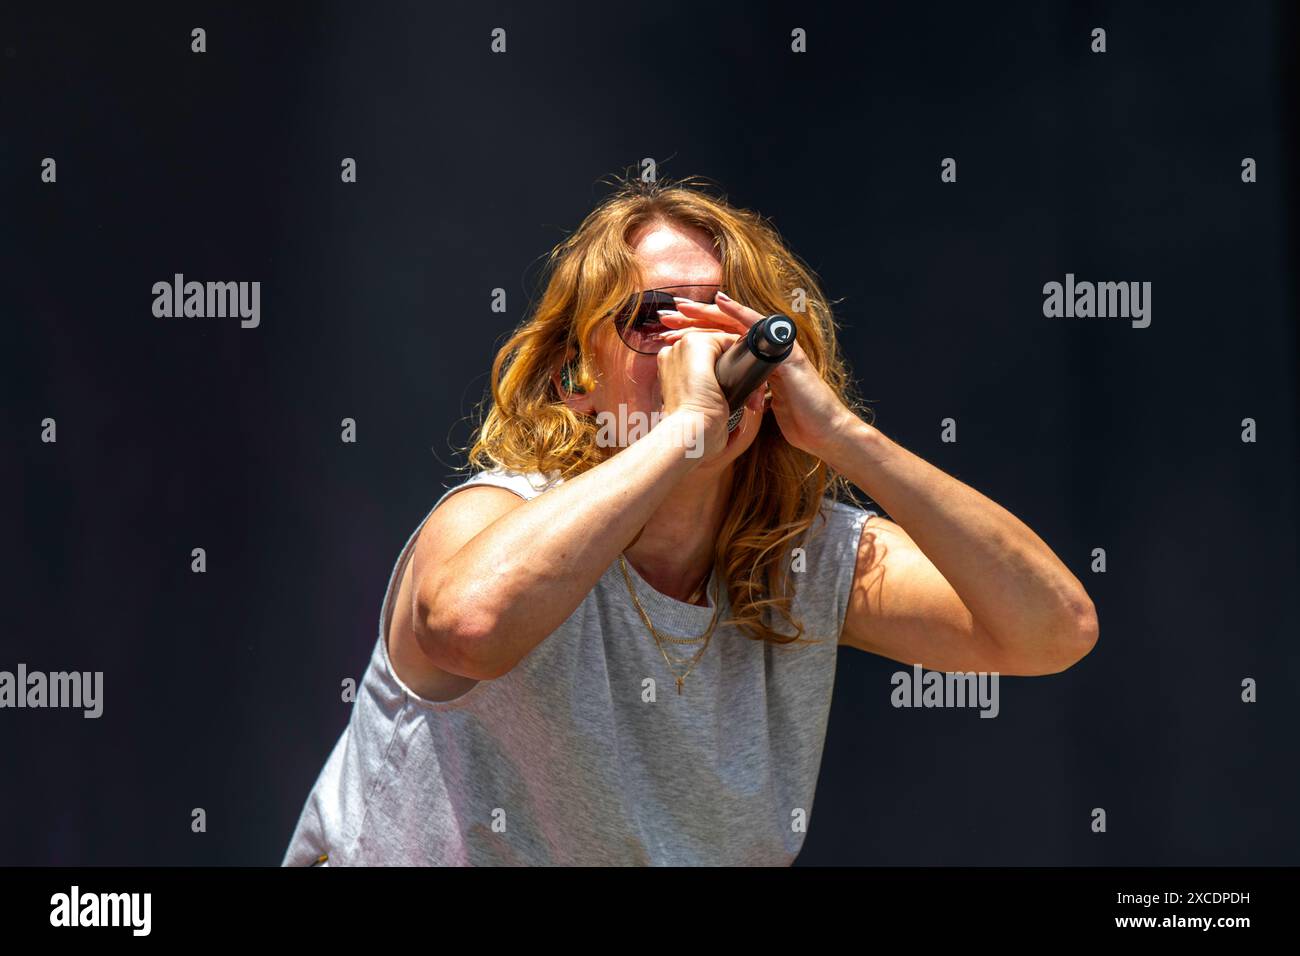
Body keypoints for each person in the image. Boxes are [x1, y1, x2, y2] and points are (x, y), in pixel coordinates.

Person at [281, 175, 1098, 866]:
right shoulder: (497, 512)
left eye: (726, 319)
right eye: (653, 318)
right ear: (573, 376)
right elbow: (469, 624)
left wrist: (845, 437)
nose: (697, 346)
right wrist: (680, 434)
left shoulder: (800, 561)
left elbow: (1051, 629)